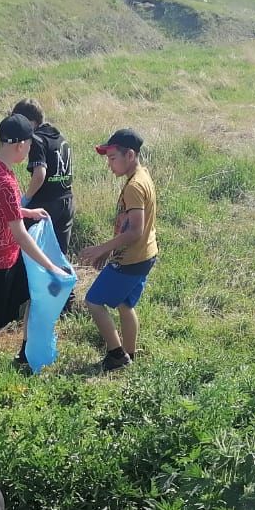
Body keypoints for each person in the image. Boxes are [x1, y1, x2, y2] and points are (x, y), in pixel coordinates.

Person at [0, 113, 71, 367]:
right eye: (29, 145)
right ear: (20, 145)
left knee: (28, 296)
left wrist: (27, 212)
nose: (29, 151)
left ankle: (25, 353)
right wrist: (49, 266)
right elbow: (20, 234)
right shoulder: (4, 181)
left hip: (8, 255)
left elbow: (1, 209)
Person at [78, 129, 158, 372]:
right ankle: (129, 354)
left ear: (130, 155)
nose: (109, 164)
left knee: (93, 301)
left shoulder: (134, 186)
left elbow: (134, 231)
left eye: (113, 158)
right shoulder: (142, 176)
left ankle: (116, 355)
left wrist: (102, 248)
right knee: (124, 305)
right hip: (145, 255)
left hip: (131, 259)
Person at [10, 100, 74, 258]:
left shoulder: (36, 140)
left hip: (45, 204)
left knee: (31, 252)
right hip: (67, 202)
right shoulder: (60, 137)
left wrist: (26, 198)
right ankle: (59, 282)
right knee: (58, 255)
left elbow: (40, 174)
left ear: (31, 122)